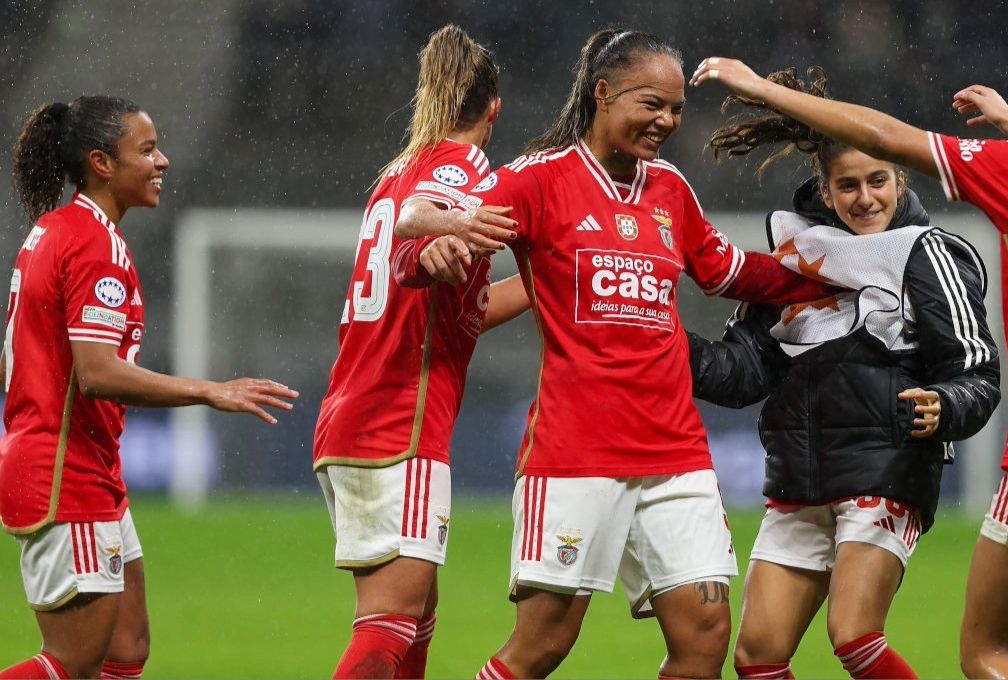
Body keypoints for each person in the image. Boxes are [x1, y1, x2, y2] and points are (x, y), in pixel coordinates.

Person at [693, 42, 1008, 679]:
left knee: (988, 653)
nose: (865, 195)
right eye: (847, 184)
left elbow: (886, 135)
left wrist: (766, 90)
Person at [440, 29, 830, 680]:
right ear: (603, 92)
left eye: (675, 109)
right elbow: (455, 241)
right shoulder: (538, 181)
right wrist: (437, 243)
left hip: (674, 453)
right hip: (574, 454)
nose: (666, 121)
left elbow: (728, 271)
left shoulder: (670, 190)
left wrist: (827, 280)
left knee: (705, 639)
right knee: (542, 647)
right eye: (652, 104)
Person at [685, 65, 1000, 680]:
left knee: (854, 633)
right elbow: (746, 370)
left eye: (877, 180)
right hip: (800, 481)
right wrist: (661, 343)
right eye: (848, 185)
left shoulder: (926, 253)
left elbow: (977, 372)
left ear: (899, 176)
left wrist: (946, 403)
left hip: (886, 470)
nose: (866, 198)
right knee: (756, 657)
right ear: (825, 191)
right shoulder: (799, 255)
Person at [0, 96, 297, 679]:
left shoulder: (54, 230)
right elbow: (98, 372)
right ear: (101, 163)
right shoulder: (93, 245)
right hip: (66, 475)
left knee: (127, 646)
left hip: (80, 465)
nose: (162, 161)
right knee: (73, 662)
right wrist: (212, 391)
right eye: (147, 150)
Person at [311, 25, 521, 680]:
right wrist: (450, 225)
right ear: (494, 108)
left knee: (416, 624)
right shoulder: (464, 167)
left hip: (356, 413)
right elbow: (418, 221)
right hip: (397, 424)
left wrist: (556, 285)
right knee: (385, 633)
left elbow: (463, 314)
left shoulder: (396, 171)